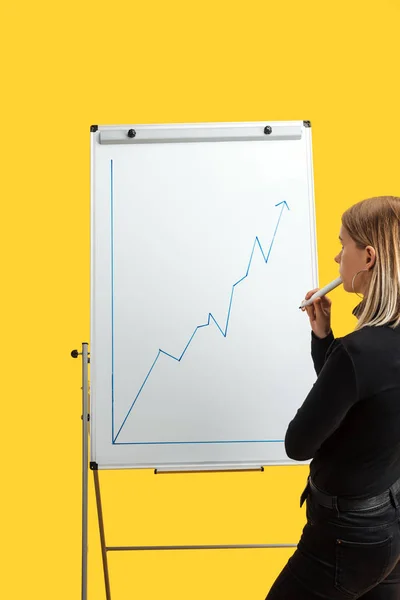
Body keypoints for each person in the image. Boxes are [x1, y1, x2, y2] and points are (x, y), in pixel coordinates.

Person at [266, 196, 400, 599]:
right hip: (389, 523)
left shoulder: (358, 353)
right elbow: (365, 405)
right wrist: (323, 336)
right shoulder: (370, 350)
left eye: (344, 245)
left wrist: (334, 349)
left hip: (345, 538)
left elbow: (298, 444)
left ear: (369, 257)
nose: (337, 255)